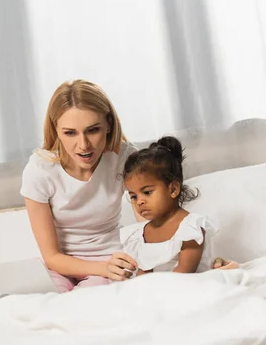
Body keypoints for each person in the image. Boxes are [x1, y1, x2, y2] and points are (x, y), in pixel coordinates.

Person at [20, 80, 237, 293]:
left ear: (108, 125)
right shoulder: (39, 170)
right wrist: (101, 268)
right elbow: (52, 256)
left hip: (113, 260)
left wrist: (206, 266)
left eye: (93, 130)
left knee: (96, 301)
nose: (83, 145)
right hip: (60, 266)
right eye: (70, 133)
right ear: (55, 129)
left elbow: (153, 224)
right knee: (42, 303)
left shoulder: (123, 157)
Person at [120, 136, 218, 275]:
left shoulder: (190, 228)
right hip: (159, 291)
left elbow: (184, 272)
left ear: (173, 189)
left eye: (147, 192)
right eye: (134, 196)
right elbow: (143, 275)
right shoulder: (141, 234)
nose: (139, 201)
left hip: (187, 287)